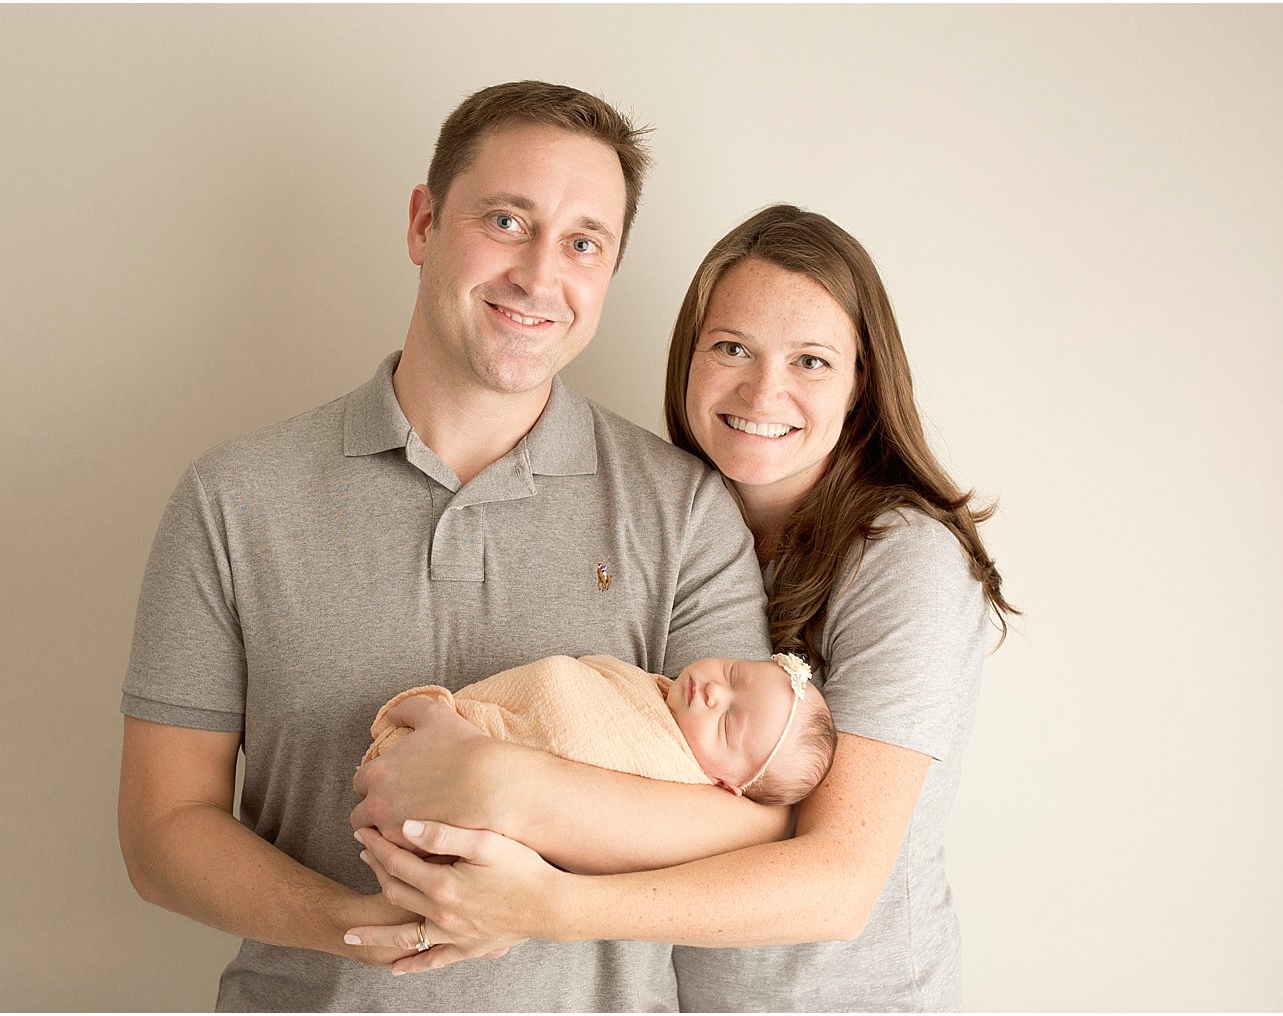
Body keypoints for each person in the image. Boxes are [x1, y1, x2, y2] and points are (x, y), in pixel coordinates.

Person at [116, 81, 783, 1011]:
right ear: (424, 223)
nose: (541, 274)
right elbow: (163, 828)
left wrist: (536, 887)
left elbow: (750, 822)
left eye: (584, 242)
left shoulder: (684, 512)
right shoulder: (233, 499)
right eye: (508, 220)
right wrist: (378, 927)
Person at [347, 204, 1018, 1011]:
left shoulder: (902, 557)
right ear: (688, 360)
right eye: (732, 347)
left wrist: (544, 904)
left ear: (860, 383)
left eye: (811, 360)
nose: (764, 389)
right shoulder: (672, 522)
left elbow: (837, 885)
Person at [363, 652, 836, 806]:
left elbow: (567, 730)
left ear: (727, 785)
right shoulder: (656, 693)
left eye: (729, 723)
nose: (716, 693)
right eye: (734, 675)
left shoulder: (663, 775)